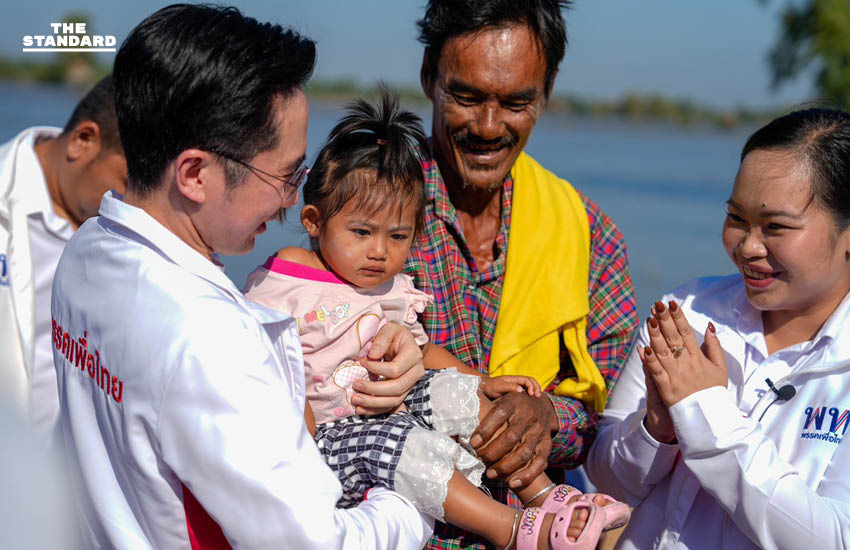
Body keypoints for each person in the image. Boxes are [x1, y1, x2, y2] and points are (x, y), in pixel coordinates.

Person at [51, 5, 434, 548]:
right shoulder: (208, 340)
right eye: (285, 175)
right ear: (194, 173)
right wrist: (413, 501)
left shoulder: (86, 250)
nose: (289, 202)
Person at [244, 90, 630, 549]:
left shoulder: (392, 289)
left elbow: (424, 351)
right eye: (361, 233)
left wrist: (480, 381)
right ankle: (509, 530)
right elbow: (253, 350)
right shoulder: (288, 276)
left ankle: (544, 495)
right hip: (325, 439)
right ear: (313, 220)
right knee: (397, 441)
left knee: (451, 390)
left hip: (393, 416)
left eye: (398, 236)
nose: (379, 251)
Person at [406, 1, 639, 546]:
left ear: (547, 91)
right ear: (428, 78)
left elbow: (599, 417)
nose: (489, 127)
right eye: (466, 96)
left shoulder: (588, 235)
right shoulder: (366, 206)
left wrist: (546, 416)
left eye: (516, 103)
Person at [586, 108, 850, 549]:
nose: (747, 246)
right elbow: (608, 480)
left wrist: (706, 412)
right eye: (737, 218)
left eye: (776, 227)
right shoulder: (686, 313)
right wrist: (657, 428)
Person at [0, 75, 126, 447]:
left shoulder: (123, 226)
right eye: (126, 178)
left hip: (68, 488)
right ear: (82, 140)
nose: (131, 198)